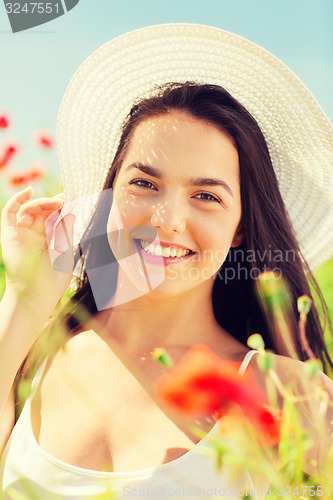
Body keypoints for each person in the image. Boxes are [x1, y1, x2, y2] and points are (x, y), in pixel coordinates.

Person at [0, 23, 333, 499]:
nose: (168, 220)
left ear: (240, 228)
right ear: (109, 194)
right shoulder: (33, 354)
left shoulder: (288, 395)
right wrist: (26, 301)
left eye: (206, 195)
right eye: (145, 184)